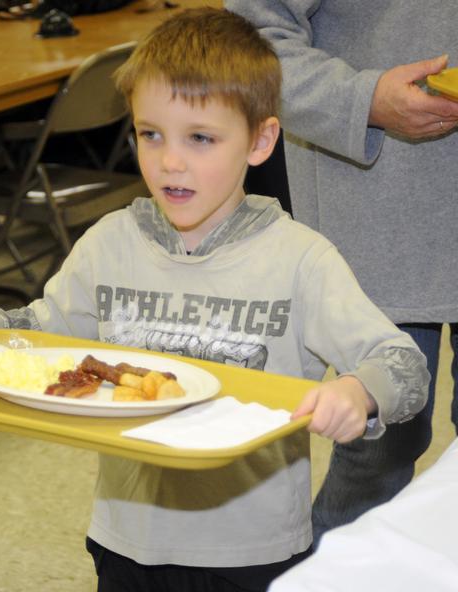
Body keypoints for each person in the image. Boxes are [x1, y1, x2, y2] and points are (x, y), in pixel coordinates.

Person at [0, 8, 429, 591]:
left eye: (201, 139)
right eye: (150, 133)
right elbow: (34, 330)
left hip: (253, 553)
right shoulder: (109, 243)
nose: (170, 162)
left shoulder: (301, 259)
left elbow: (403, 364)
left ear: (262, 140)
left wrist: (359, 391)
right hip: (125, 539)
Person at [224, 0, 458, 545]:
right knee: (377, 454)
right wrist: (363, 100)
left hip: (380, 210)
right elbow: (250, 37)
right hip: (377, 211)